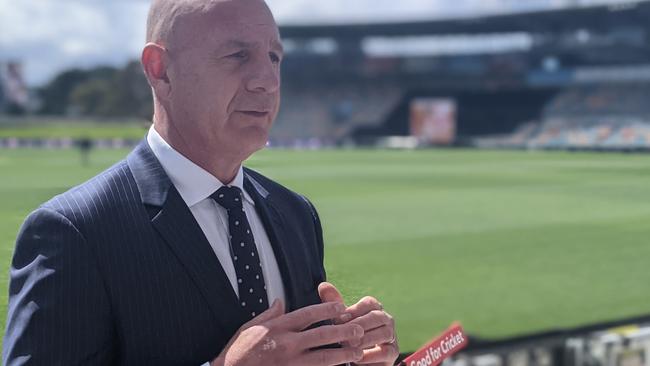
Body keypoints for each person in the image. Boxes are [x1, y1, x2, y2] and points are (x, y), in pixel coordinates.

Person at [3, 0, 399, 365]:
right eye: (237, 55)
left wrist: (347, 350)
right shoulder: (73, 233)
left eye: (274, 56)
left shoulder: (295, 214)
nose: (268, 81)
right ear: (160, 69)